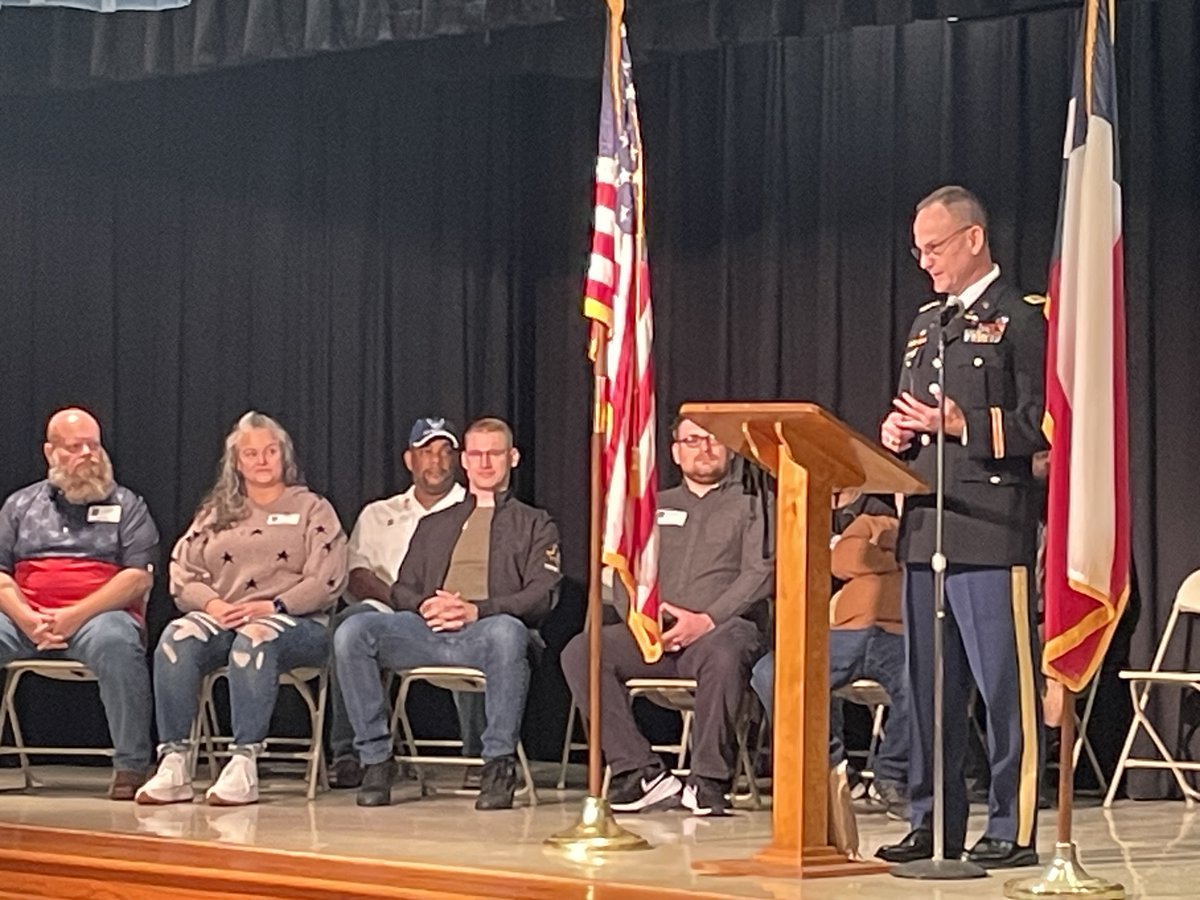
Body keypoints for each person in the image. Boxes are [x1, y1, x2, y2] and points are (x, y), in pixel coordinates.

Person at [876, 185, 1046, 869]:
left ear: (974, 239)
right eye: (918, 251)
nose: (926, 262)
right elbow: (917, 414)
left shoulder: (1023, 318)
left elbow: (1045, 425)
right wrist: (897, 434)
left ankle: (1012, 825)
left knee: (1004, 690)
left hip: (990, 527)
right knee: (929, 693)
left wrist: (962, 423)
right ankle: (933, 821)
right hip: (927, 527)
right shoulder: (927, 324)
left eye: (935, 247)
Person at [335, 417, 561, 810]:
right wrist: (425, 604)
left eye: (494, 454)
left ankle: (497, 764)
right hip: (429, 629)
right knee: (354, 631)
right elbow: (403, 587)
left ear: (513, 458)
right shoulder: (436, 522)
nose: (485, 463)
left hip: (488, 632)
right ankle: (375, 760)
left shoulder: (534, 523)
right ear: (465, 461)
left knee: (507, 632)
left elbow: (543, 595)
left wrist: (478, 610)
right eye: (476, 454)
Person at [561, 415, 772, 817]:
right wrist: (642, 620)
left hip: (719, 632)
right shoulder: (652, 505)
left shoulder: (754, 505)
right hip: (654, 635)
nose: (703, 448)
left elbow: (761, 573)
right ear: (675, 452)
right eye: (692, 440)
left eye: (713, 439)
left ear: (730, 449)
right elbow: (623, 572)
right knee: (582, 651)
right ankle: (641, 773)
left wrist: (706, 620)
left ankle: (708, 780)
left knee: (726, 652)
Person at [136, 411, 348, 806]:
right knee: (177, 636)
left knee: (255, 637)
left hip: (294, 622)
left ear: (284, 455)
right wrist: (212, 604)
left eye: (270, 451)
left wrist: (274, 605)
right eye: (251, 453)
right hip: (224, 617)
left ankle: (243, 762)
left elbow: (328, 578)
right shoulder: (217, 512)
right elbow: (182, 571)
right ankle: (174, 761)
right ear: (236, 462)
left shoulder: (312, 508)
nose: (262, 460)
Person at [0, 408, 158, 800]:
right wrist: (27, 617)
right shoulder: (19, 505)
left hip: (97, 617)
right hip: (26, 617)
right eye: (75, 447)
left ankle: (131, 765)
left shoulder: (128, 504)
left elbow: (137, 577)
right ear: (50, 452)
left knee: (117, 642)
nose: (87, 454)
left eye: (93, 445)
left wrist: (74, 615)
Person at [327, 417, 469, 789]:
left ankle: (482, 757)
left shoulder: (472, 508)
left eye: (445, 452)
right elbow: (355, 572)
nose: (436, 461)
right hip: (388, 608)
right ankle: (352, 754)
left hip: (450, 608)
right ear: (409, 459)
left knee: (480, 625)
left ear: (457, 459)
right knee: (349, 626)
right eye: (427, 452)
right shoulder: (379, 513)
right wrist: (402, 601)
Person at [750, 492, 909, 820]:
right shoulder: (871, 522)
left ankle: (893, 776)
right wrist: (897, 558)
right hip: (845, 633)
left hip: (900, 635)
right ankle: (831, 768)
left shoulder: (930, 532)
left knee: (928, 680)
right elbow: (844, 560)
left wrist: (879, 556)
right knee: (771, 672)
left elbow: (883, 561)